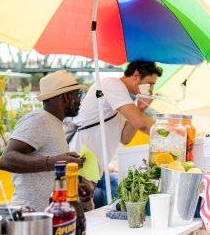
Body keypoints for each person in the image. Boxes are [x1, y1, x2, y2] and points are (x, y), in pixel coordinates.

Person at [69, 61, 163, 207]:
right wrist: (171, 130)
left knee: (83, 215)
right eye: (150, 83)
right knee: (78, 217)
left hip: (89, 170)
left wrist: (140, 109)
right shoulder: (113, 85)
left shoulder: (122, 97)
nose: (151, 89)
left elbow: (125, 138)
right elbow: (142, 124)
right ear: (136, 75)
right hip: (79, 167)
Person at [0, 71, 94, 212]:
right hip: (30, 215)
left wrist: (73, 186)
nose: (80, 100)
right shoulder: (39, 119)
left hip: (48, 215)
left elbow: (45, 175)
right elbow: (6, 160)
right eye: (78, 95)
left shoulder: (54, 123)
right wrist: (53, 162)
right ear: (67, 96)